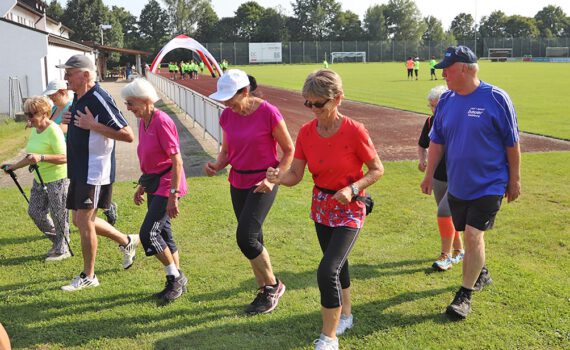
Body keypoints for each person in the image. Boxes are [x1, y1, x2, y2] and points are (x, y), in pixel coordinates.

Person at [266, 69, 384, 350]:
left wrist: (353, 189)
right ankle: (346, 315)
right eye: (308, 103)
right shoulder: (306, 132)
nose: (313, 109)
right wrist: (278, 178)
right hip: (322, 207)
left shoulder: (355, 130)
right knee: (338, 264)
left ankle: (329, 338)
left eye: (319, 103)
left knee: (327, 270)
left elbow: (377, 169)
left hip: (350, 208)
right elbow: (295, 174)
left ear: (338, 99)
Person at [420, 46, 521, 319]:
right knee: (466, 232)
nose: (443, 73)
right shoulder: (447, 101)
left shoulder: (496, 98)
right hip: (458, 182)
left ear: (464, 68)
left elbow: (511, 143)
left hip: (490, 182)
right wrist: (429, 174)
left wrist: (514, 180)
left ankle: (464, 296)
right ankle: (482, 271)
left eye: (448, 68)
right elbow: (437, 140)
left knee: (474, 234)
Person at [205, 69, 294, 315]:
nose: (226, 103)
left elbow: (288, 150)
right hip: (237, 181)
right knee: (255, 238)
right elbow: (226, 151)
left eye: (230, 98)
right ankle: (263, 289)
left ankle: (274, 286)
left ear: (245, 92)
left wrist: (274, 179)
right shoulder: (227, 116)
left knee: (246, 237)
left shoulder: (268, 112)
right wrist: (216, 165)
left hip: (262, 182)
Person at [56, 54, 139, 292]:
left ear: (85, 74)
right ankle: (126, 241)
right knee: (80, 219)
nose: (65, 78)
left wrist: (93, 126)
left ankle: (89, 275)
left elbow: (127, 134)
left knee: (84, 220)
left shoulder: (99, 98)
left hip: (95, 170)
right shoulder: (78, 96)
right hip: (80, 168)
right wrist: (72, 121)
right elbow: (81, 126)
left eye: (69, 73)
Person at [122, 78, 189, 302]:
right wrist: (142, 184)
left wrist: (174, 195)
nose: (129, 108)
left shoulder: (162, 121)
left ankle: (174, 278)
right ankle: (177, 281)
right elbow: (149, 157)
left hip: (168, 183)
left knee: (148, 233)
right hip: (154, 182)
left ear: (146, 100)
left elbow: (176, 161)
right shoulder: (144, 120)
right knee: (164, 233)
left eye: (131, 103)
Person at [1, 96, 70, 262]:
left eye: (32, 114)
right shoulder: (34, 129)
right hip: (39, 179)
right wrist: (13, 167)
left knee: (58, 214)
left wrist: (43, 157)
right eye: (27, 114)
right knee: (35, 212)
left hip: (57, 179)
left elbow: (65, 157)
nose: (29, 118)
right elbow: (31, 156)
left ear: (45, 113)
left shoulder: (53, 130)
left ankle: (63, 249)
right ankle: (59, 241)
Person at [46, 79, 118, 225]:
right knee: (79, 217)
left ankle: (107, 207)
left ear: (62, 92)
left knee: (82, 214)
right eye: (49, 95)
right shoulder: (54, 109)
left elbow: (62, 130)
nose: (50, 98)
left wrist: (49, 128)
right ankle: (106, 207)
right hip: (72, 157)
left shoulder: (72, 106)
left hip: (76, 158)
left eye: (53, 95)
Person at [417, 85, 464, 271]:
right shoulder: (430, 122)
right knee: (448, 216)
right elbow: (422, 145)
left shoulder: (460, 122)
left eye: (437, 105)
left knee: (444, 212)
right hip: (438, 176)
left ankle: (446, 256)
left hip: (458, 176)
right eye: (431, 106)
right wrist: (423, 160)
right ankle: (459, 250)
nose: (434, 109)